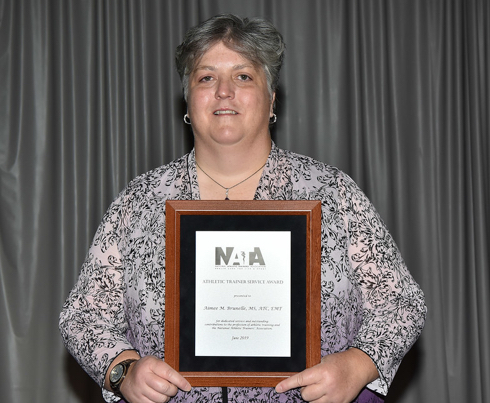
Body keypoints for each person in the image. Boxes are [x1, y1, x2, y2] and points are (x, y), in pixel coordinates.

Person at [59, 14, 426, 403]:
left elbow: (401, 303)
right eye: (206, 77)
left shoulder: (331, 193)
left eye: (243, 76)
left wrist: (356, 365)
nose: (223, 92)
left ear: (271, 99)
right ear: (188, 99)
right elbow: (84, 316)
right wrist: (123, 370)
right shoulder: (140, 201)